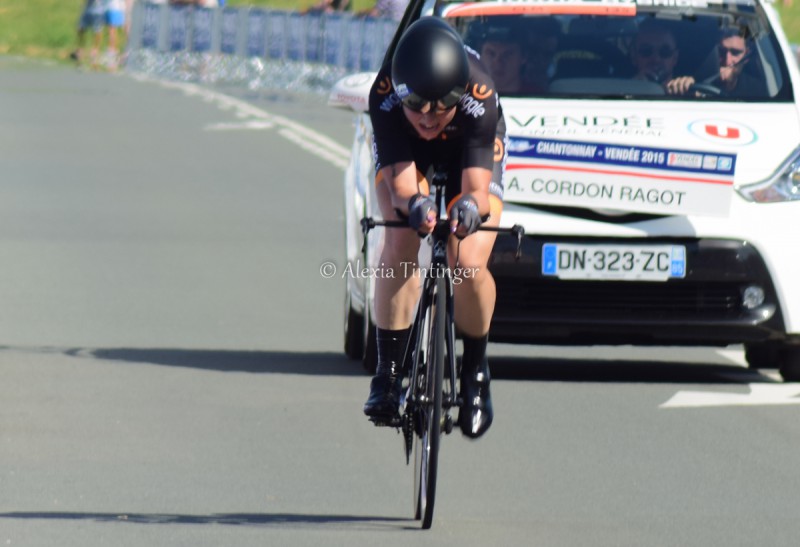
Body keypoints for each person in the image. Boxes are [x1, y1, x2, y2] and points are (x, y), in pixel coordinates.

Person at [363, 17, 506, 439]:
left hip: (468, 148)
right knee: (400, 238)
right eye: (417, 107)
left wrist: (466, 213)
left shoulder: (480, 93)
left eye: (440, 107)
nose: (427, 117)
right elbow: (404, 187)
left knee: (467, 261)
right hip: (408, 157)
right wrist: (419, 205)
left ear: (458, 97)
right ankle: (388, 375)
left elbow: (477, 190)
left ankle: (475, 371)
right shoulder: (386, 95)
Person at [665, 28, 767, 97]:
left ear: (746, 56)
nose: (727, 60)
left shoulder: (759, 91)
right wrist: (684, 88)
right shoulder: (693, 84)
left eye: (735, 53)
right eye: (721, 52)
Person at [630, 19, 679, 85]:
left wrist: (688, 89)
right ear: (634, 56)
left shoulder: (689, 92)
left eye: (664, 52)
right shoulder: (619, 92)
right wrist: (633, 86)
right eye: (646, 51)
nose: (656, 59)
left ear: (675, 58)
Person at [70, 0, 105, 65]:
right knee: (80, 28)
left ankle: (95, 51)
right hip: (87, 10)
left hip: (98, 11)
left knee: (97, 31)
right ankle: (80, 50)